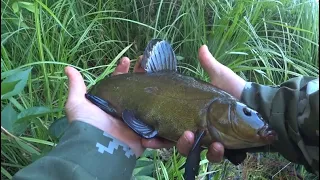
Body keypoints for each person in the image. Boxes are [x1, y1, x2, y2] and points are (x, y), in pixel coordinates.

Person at [12, 45, 318, 180]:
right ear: (223, 112)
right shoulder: (218, 110)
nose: (258, 124)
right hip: (111, 98)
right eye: (250, 115)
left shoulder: (219, 115)